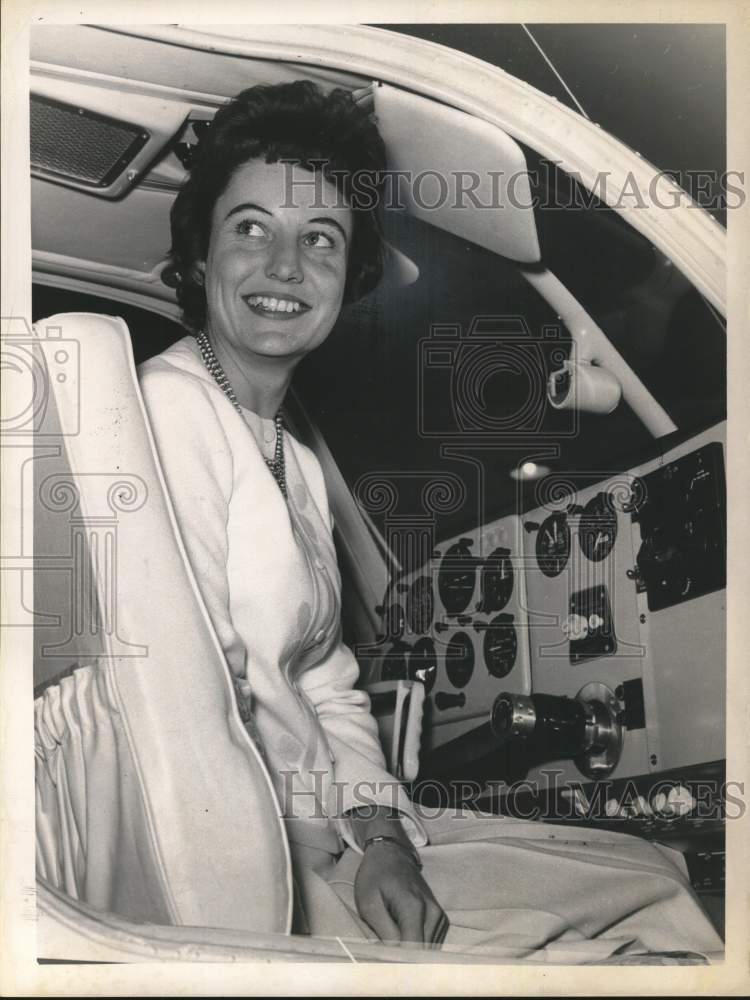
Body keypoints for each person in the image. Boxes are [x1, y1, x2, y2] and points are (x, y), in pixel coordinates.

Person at [137, 80, 722, 959]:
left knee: (656, 871)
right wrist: (347, 854)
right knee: (659, 908)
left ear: (349, 278)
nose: (285, 266)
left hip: (333, 839)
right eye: (250, 228)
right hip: (256, 870)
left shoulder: (291, 454)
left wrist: (379, 833)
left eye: (320, 239)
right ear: (199, 254)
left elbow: (325, 679)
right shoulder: (169, 408)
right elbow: (193, 707)